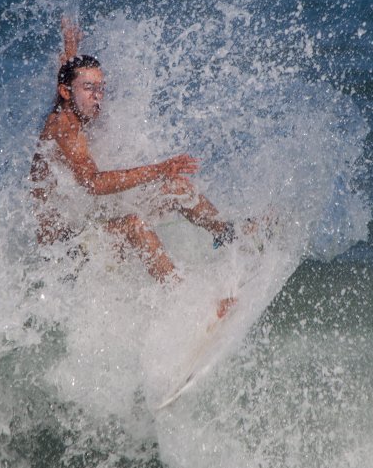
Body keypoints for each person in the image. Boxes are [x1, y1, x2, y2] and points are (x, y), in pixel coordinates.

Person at [31, 18, 236, 308]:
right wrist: (158, 169)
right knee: (134, 226)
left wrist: (71, 49)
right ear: (67, 92)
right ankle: (189, 302)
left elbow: (65, 80)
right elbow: (93, 183)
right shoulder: (64, 128)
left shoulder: (66, 103)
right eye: (89, 88)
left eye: (101, 88)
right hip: (64, 251)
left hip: (84, 230)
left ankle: (231, 235)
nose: (98, 97)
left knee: (176, 188)